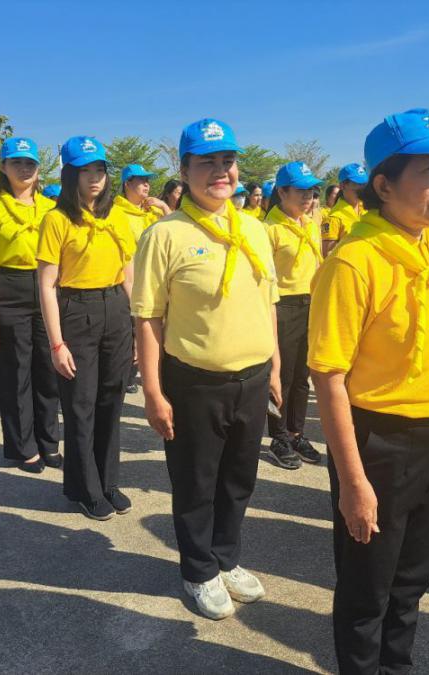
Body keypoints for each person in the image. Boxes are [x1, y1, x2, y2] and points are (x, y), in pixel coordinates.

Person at [309, 107, 429, 674]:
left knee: (413, 579)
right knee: (368, 587)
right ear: (383, 186)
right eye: (428, 171)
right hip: (383, 442)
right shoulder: (354, 262)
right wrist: (353, 482)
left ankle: (397, 665)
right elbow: (328, 377)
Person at [133, 118, 281, 620]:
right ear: (185, 170)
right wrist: (153, 391)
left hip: (252, 377)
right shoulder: (164, 235)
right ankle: (198, 570)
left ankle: (226, 558)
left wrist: (275, 367)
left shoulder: (255, 229)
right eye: (207, 162)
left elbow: (268, 302)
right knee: (196, 482)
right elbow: (148, 318)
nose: (221, 171)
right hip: (194, 381)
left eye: (227, 161)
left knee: (239, 479)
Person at [37, 135, 136, 520]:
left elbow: (128, 273)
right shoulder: (57, 219)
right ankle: (84, 488)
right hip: (76, 311)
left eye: (100, 169)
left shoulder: (118, 216)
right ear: (70, 175)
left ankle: (108, 482)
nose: (94, 177)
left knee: (112, 400)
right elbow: (47, 284)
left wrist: (136, 324)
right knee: (81, 405)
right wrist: (56, 343)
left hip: (116, 308)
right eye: (85, 170)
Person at [0, 137, 61, 473]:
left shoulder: (51, 208)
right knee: (16, 372)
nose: (24, 169)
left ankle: (49, 442)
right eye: (17, 162)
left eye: (30, 163)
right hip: (9, 288)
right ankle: (24, 447)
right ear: (4, 167)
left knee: (49, 371)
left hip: (48, 287)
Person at [263, 161, 324, 470]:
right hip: (282, 305)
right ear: (282, 192)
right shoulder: (268, 229)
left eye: (311, 191)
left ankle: (296, 432)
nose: (307, 197)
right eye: (300, 191)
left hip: (311, 303)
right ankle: (278, 437)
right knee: (282, 376)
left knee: (303, 375)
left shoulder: (310, 223)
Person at [110, 163, 171, 394]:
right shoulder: (117, 212)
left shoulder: (152, 211)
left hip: (156, 282)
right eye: (141, 180)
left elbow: (174, 232)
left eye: (148, 180)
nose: (146, 185)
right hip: (129, 281)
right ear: (127, 184)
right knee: (132, 333)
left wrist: (163, 206)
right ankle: (126, 377)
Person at [321, 163, 368, 256]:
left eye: (363, 184)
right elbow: (328, 254)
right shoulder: (334, 218)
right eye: (356, 184)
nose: (361, 189)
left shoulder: (367, 210)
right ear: (342, 186)